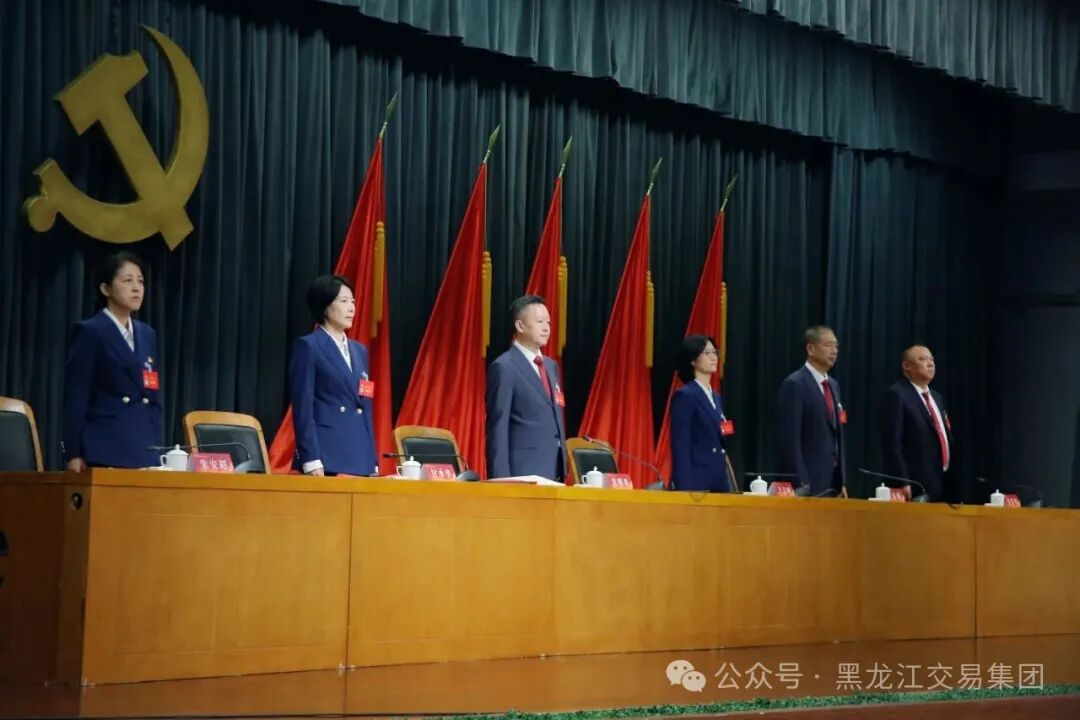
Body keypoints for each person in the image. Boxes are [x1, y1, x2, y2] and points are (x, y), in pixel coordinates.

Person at [63, 251, 163, 470]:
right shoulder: (90, 331)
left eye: (140, 281)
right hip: (105, 447)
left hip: (145, 448)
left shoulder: (147, 334)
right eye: (127, 280)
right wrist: (73, 452)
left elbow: (153, 395)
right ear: (105, 289)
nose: (136, 288)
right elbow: (77, 395)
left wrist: (157, 445)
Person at [290, 275, 377, 476]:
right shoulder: (309, 347)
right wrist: (311, 459)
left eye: (353, 301)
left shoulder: (360, 351)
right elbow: (303, 409)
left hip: (360, 457)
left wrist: (372, 460)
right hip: (326, 457)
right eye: (344, 301)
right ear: (325, 307)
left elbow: (365, 408)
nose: (352, 308)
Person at [486, 295, 567, 481]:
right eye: (539, 321)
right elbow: (498, 428)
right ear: (520, 326)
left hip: (554, 469)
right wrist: (500, 480)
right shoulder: (505, 367)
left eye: (548, 321)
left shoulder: (551, 366)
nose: (546, 327)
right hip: (522, 470)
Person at [777, 325, 847, 496]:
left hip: (833, 481)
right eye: (828, 345)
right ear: (810, 348)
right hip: (807, 481)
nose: (834, 351)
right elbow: (789, 439)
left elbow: (836, 435)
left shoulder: (834, 385)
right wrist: (801, 482)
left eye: (836, 346)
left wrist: (842, 480)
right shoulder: (795, 384)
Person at [881, 345, 954, 501]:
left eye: (932, 360)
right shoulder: (897, 394)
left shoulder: (937, 397)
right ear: (907, 366)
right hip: (916, 484)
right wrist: (902, 480)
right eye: (923, 359)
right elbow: (892, 442)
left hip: (942, 481)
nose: (930, 363)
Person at [669, 335, 733, 492]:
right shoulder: (686, 395)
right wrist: (684, 487)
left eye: (715, 352)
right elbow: (680, 446)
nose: (713, 357)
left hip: (719, 477)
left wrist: (726, 429)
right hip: (697, 479)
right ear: (692, 360)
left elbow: (723, 435)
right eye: (707, 352)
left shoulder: (715, 397)